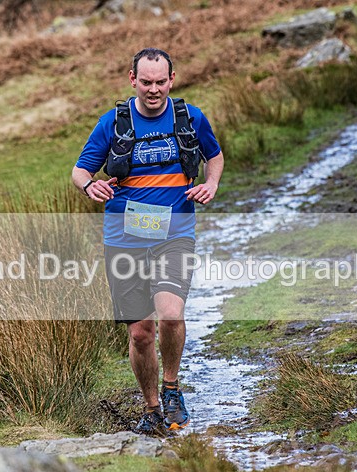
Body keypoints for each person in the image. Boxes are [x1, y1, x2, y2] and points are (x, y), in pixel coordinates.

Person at [71, 48, 224, 436]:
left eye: (160, 82)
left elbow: (215, 155)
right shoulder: (113, 123)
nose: (153, 90)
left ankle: (172, 388)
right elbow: (79, 170)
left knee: (171, 313)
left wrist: (210, 184)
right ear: (132, 79)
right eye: (146, 82)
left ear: (172, 79)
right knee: (141, 332)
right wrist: (91, 185)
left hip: (175, 234)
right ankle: (152, 408)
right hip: (124, 238)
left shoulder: (190, 118)